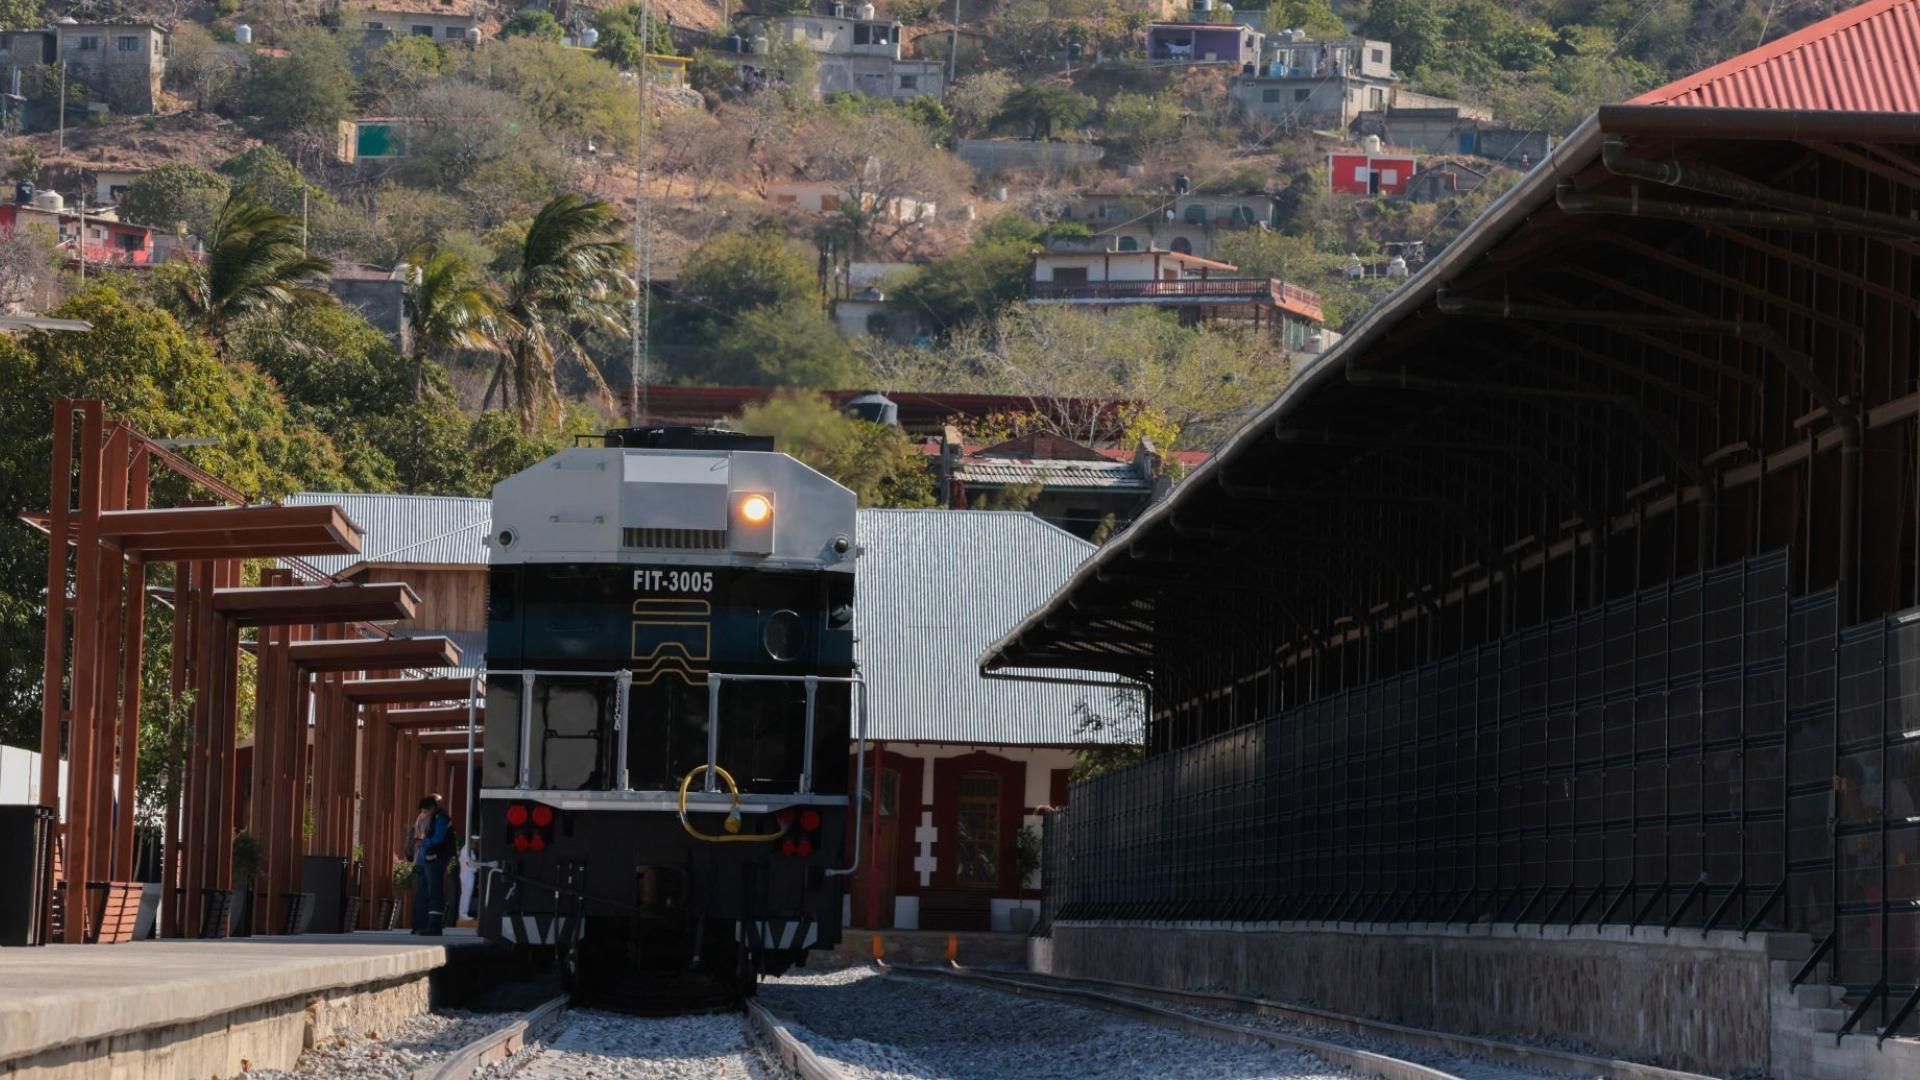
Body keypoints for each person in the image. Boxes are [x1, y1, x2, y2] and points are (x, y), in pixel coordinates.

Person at [411, 794, 452, 936]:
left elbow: (439, 838)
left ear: (433, 807)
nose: (424, 814)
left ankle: (434, 926)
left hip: (436, 859)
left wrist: (424, 843)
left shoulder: (441, 818)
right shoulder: (435, 818)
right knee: (428, 892)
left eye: (426, 811)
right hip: (429, 859)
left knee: (434, 893)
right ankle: (425, 925)